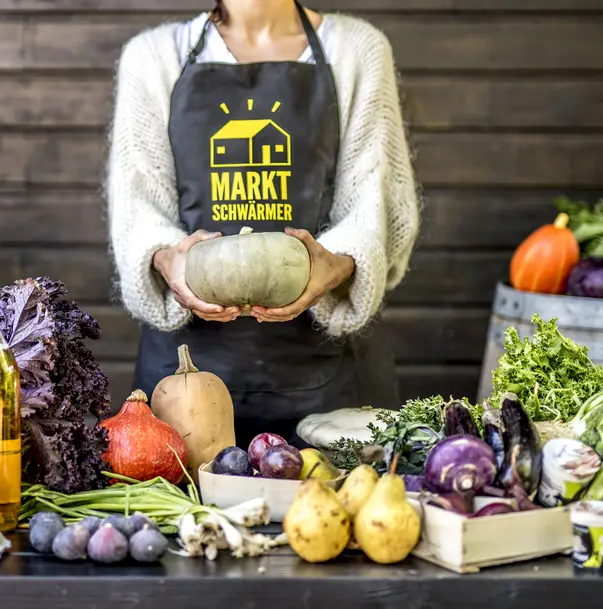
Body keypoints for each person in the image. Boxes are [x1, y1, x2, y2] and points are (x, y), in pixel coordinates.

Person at [108, 0, 420, 447]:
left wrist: (337, 264)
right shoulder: (155, 56)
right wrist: (168, 260)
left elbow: (376, 209)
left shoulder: (355, 49)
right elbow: (137, 216)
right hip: (183, 391)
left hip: (331, 389)